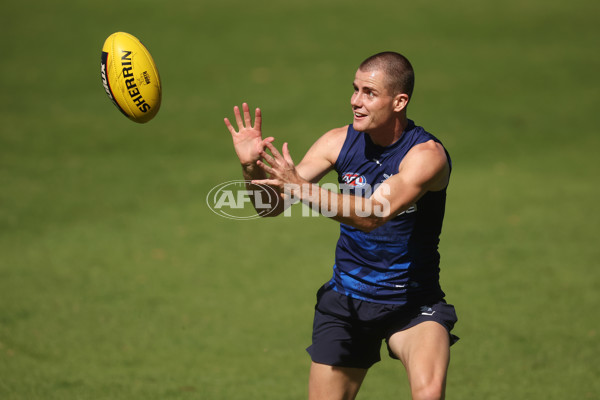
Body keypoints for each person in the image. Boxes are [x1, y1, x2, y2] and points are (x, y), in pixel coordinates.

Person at [224, 52, 458, 400]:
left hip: (411, 303)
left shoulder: (425, 156)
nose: (355, 101)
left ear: (399, 101)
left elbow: (372, 215)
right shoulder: (337, 142)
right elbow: (269, 208)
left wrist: (301, 187)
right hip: (347, 301)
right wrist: (250, 168)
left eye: (369, 92)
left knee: (429, 394)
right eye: (355, 89)